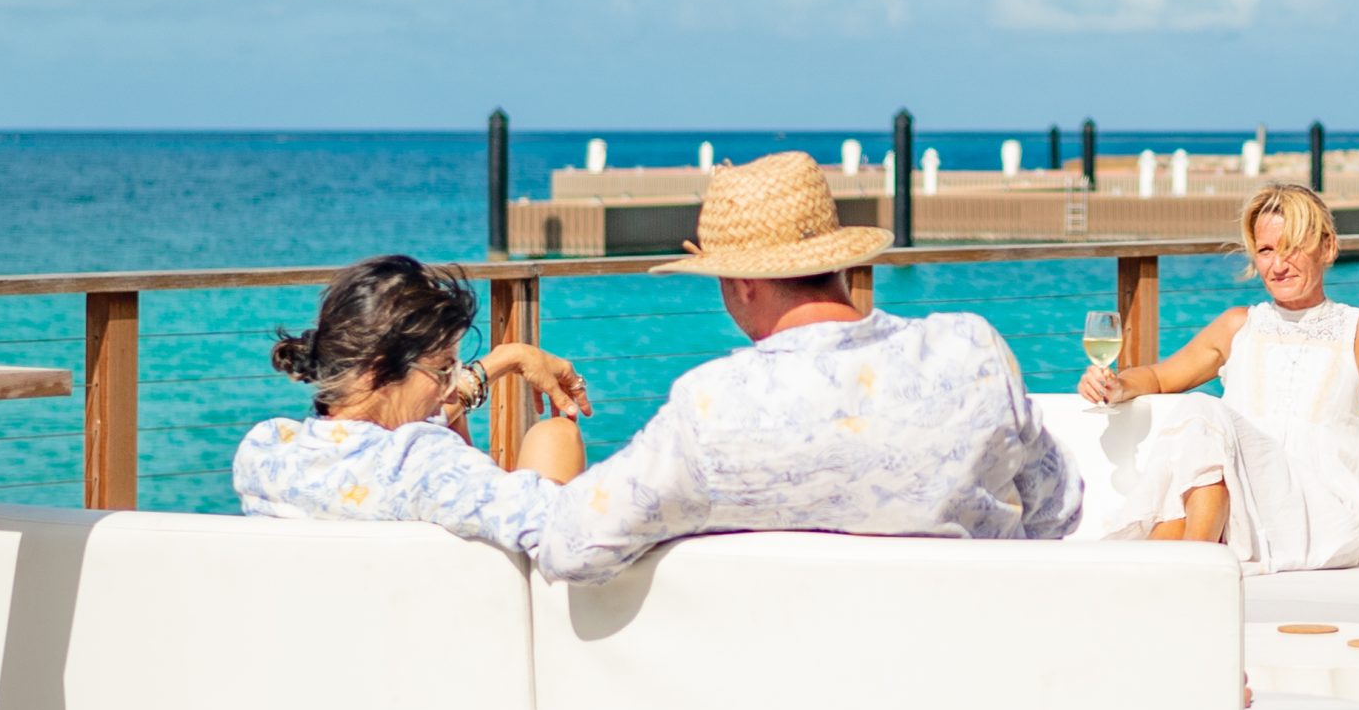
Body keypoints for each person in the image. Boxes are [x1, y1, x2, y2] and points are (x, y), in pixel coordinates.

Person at [529, 151, 1077, 584]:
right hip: (975, 673)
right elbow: (1059, 509)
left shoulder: (714, 409)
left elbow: (571, 547)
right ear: (838, 259)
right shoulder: (972, 351)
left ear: (741, 283)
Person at [1074, 183, 1359, 566]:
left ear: (1328, 248)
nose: (1278, 264)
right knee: (1191, 468)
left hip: (1323, 517)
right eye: (1265, 250)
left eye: (1293, 246)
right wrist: (1115, 385)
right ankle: (1156, 579)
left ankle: (1186, 574)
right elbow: (1159, 378)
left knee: (1203, 415)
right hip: (1244, 510)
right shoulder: (1238, 326)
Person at [233, 255, 593, 556]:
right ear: (378, 373)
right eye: (443, 370)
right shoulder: (424, 464)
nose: (451, 392)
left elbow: (365, 439)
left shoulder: (264, 450)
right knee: (556, 436)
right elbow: (565, 524)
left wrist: (507, 359)